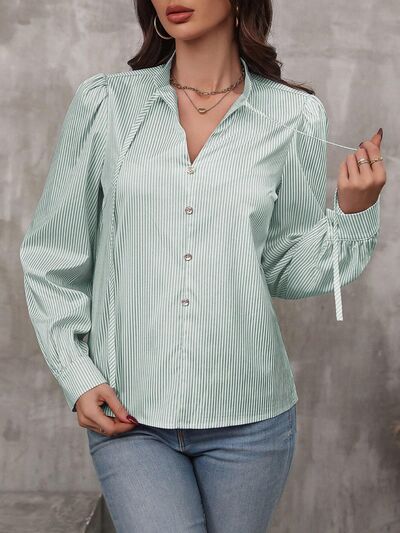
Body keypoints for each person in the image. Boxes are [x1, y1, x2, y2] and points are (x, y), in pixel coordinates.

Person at [19, 0, 386, 531]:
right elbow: (54, 255)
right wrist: (77, 374)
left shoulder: (296, 115)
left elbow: (284, 267)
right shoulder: (105, 104)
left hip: (252, 418)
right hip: (130, 412)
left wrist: (352, 212)